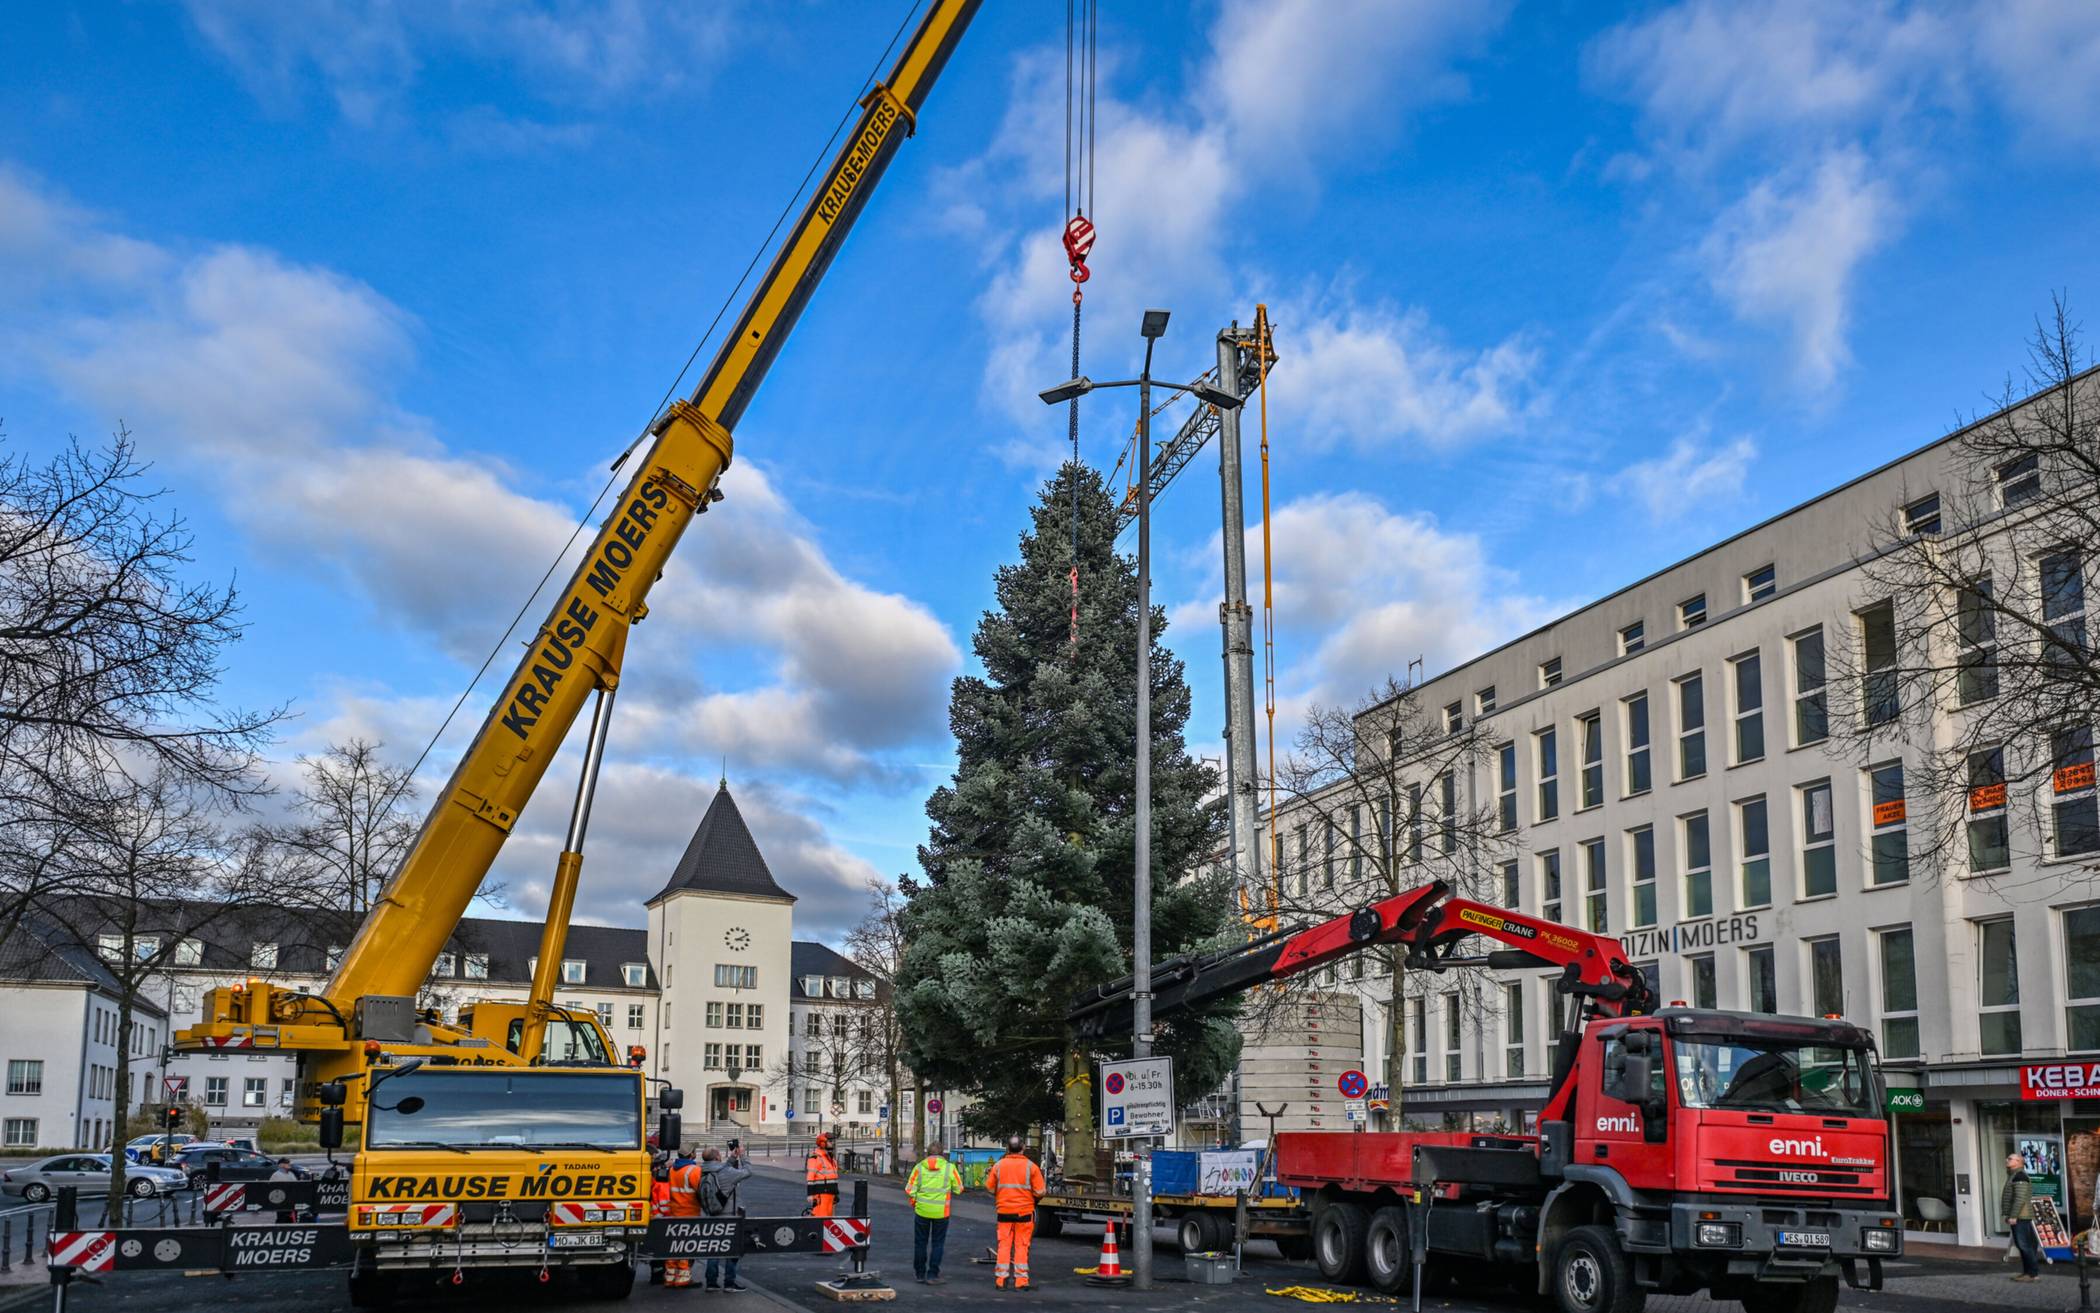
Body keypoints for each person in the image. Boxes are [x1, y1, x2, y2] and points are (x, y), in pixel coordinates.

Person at [988, 1135, 1046, 1291]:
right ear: (1023, 1148)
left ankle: (1001, 1280)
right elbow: (1040, 1191)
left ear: (1007, 1148)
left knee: (1004, 1246)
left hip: (1004, 1212)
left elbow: (990, 1188)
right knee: (1021, 1246)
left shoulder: (998, 1166)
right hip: (1024, 1213)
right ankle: (1021, 1282)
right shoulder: (1031, 1167)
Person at [905, 1141, 965, 1285]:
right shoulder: (949, 1168)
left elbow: (909, 1189)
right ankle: (932, 1275)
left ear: (927, 1153)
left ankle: (920, 1274)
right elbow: (959, 1189)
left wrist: (916, 1200)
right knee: (937, 1243)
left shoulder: (919, 1168)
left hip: (922, 1211)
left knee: (920, 1243)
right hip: (941, 1213)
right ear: (942, 1154)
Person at [700, 1146, 753, 1292]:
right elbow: (748, 1172)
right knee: (732, 1249)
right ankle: (729, 1283)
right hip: (730, 1215)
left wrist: (731, 1158)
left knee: (713, 1249)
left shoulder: (703, 1171)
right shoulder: (726, 1172)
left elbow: (722, 1170)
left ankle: (711, 1282)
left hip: (712, 1214)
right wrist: (743, 1156)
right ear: (717, 1158)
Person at [663, 1148, 703, 1289]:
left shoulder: (672, 1169)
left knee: (673, 1245)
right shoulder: (694, 1170)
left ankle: (670, 1276)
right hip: (689, 1212)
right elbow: (701, 1190)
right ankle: (683, 1279)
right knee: (686, 1246)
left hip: (674, 1211)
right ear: (691, 1154)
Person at [2004, 1152, 2041, 1281]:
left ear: (2019, 1162)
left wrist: (2013, 1215)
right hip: (2020, 1215)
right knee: (2023, 1245)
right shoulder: (2015, 1175)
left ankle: (2032, 1274)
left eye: (2010, 1159)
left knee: (2025, 1245)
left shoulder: (2020, 1176)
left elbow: (2019, 1199)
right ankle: (2027, 1273)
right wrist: (2009, 1215)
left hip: (2022, 1216)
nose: (2006, 1160)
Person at [806, 1131, 839, 1217]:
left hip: (831, 1193)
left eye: (832, 1141)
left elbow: (834, 1176)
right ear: (822, 1143)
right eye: (830, 1141)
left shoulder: (831, 1158)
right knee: (820, 1218)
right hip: (821, 1193)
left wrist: (835, 1193)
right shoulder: (815, 1157)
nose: (833, 1143)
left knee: (829, 1219)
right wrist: (810, 1194)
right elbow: (810, 1177)